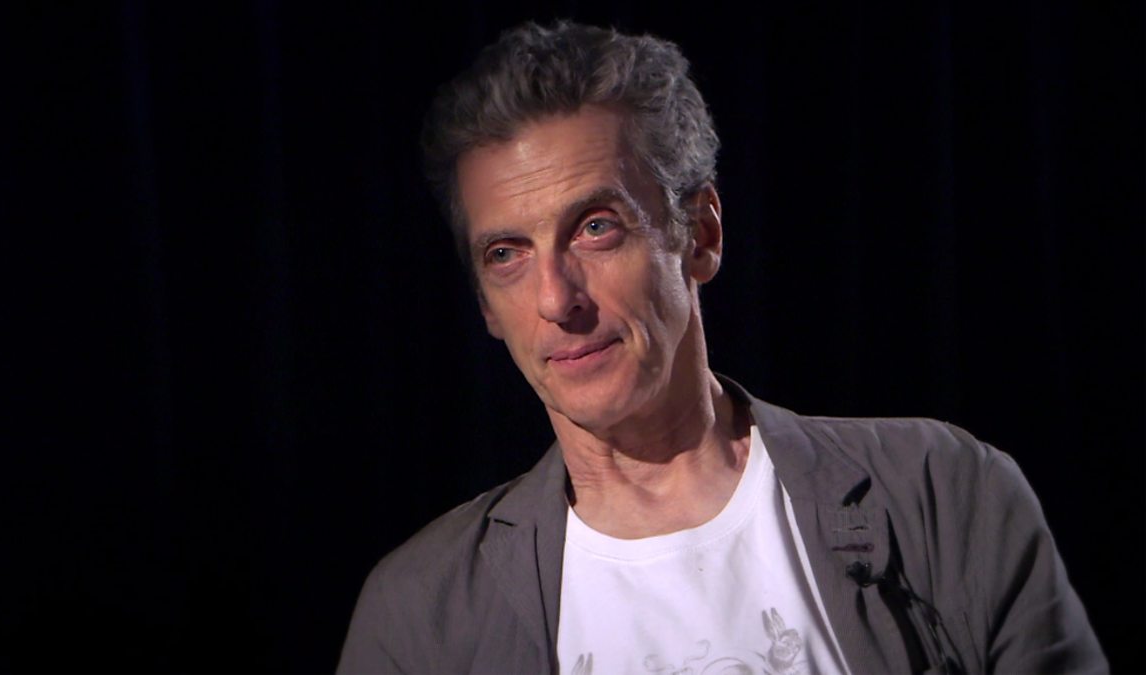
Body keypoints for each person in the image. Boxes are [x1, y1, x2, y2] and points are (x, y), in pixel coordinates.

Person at [338, 21, 1106, 674]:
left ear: (700, 233)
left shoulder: (946, 496)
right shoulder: (420, 615)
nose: (555, 299)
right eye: (507, 253)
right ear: (484, 303)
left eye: (596, 227)